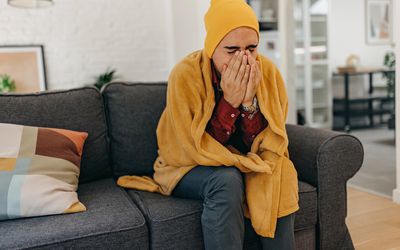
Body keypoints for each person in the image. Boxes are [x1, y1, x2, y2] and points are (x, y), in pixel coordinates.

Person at [117, 0, 299, 249]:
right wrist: (229, 102)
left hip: (242, 159)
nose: (243, 59)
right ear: (212, 48)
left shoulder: (267, 72)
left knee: (280, 171)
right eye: (232, 50)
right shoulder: (185, 74)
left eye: (252, 48)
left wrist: (248, 105)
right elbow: (191, 148)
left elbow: (267, 142)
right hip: (184, 164)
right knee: (226, 179)